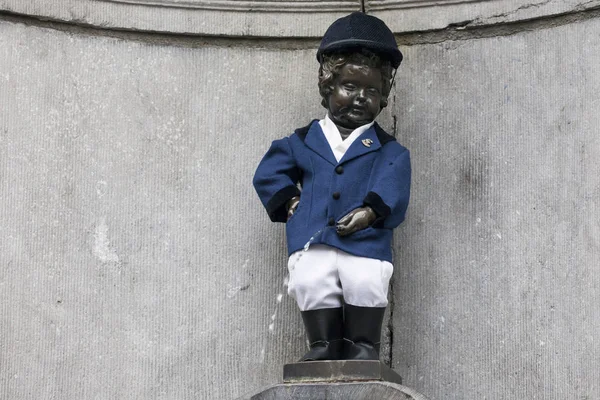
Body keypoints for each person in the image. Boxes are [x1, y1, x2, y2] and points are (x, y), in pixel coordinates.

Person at [253, 12, 411, 362]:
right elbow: (268, 172)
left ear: (384, 98)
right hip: (314, 235)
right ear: (327, 87)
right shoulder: (302, 141)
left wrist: (371, 212)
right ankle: (322, 344)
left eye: (371, 90)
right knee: (312, 280)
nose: (360, 98)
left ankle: (363, 345)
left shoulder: (387, 149)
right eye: (349, 87)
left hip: (365, 242)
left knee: (365, 281)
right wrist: (290, 201)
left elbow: (394, 181)